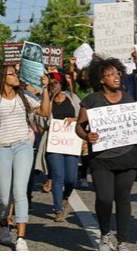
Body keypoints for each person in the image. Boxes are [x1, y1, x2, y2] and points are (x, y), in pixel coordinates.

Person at [0, 65, 50, 251]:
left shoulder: (24, 96)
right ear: (2, 78)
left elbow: (45, 111)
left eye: (16, 73)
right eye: (12, 74)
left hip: (23, 146)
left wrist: (46, 89)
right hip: (1, 149)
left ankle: (21, 238)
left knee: (19, 190)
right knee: (4, 197)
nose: (16, 76)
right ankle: (3, 223)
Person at [75, 58, 137, 251]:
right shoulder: (91, 100)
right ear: (101, 79)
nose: (116, 77)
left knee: (123, 199)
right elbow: (79, 127)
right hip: (102, 159)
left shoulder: (128, 97)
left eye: (118, 73)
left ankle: (123, 241)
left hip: (128, 156)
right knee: (105, 198)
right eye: (111, 74)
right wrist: (87, 135)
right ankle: (105, 234)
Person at [43, 72, 82, 222]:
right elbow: (42, 122)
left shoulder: (72, 99)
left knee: (71, 178)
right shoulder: (47, 100)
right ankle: (58, 209)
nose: (54, 86)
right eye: (51, 83)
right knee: (58, 176)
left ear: (61, 84)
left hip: (71, 143)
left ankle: (66, 196)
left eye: (56, 83)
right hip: (54, 145)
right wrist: (50, 99)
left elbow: (83, 116)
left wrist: (75, 119)